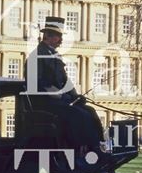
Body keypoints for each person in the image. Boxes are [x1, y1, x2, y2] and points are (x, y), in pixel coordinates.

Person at [26, 16, 107, 161]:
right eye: (58, 36)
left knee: (89, 111)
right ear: (48, 36)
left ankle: (97, 146)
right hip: (45, 103)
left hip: (60, 100)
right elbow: (35, 83)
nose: (61, 40)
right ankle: (79, 151)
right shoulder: (35, 56)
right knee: (77, 114)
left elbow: (65, 82)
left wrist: (76, 96)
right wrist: (53, 93)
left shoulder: (55, 56)